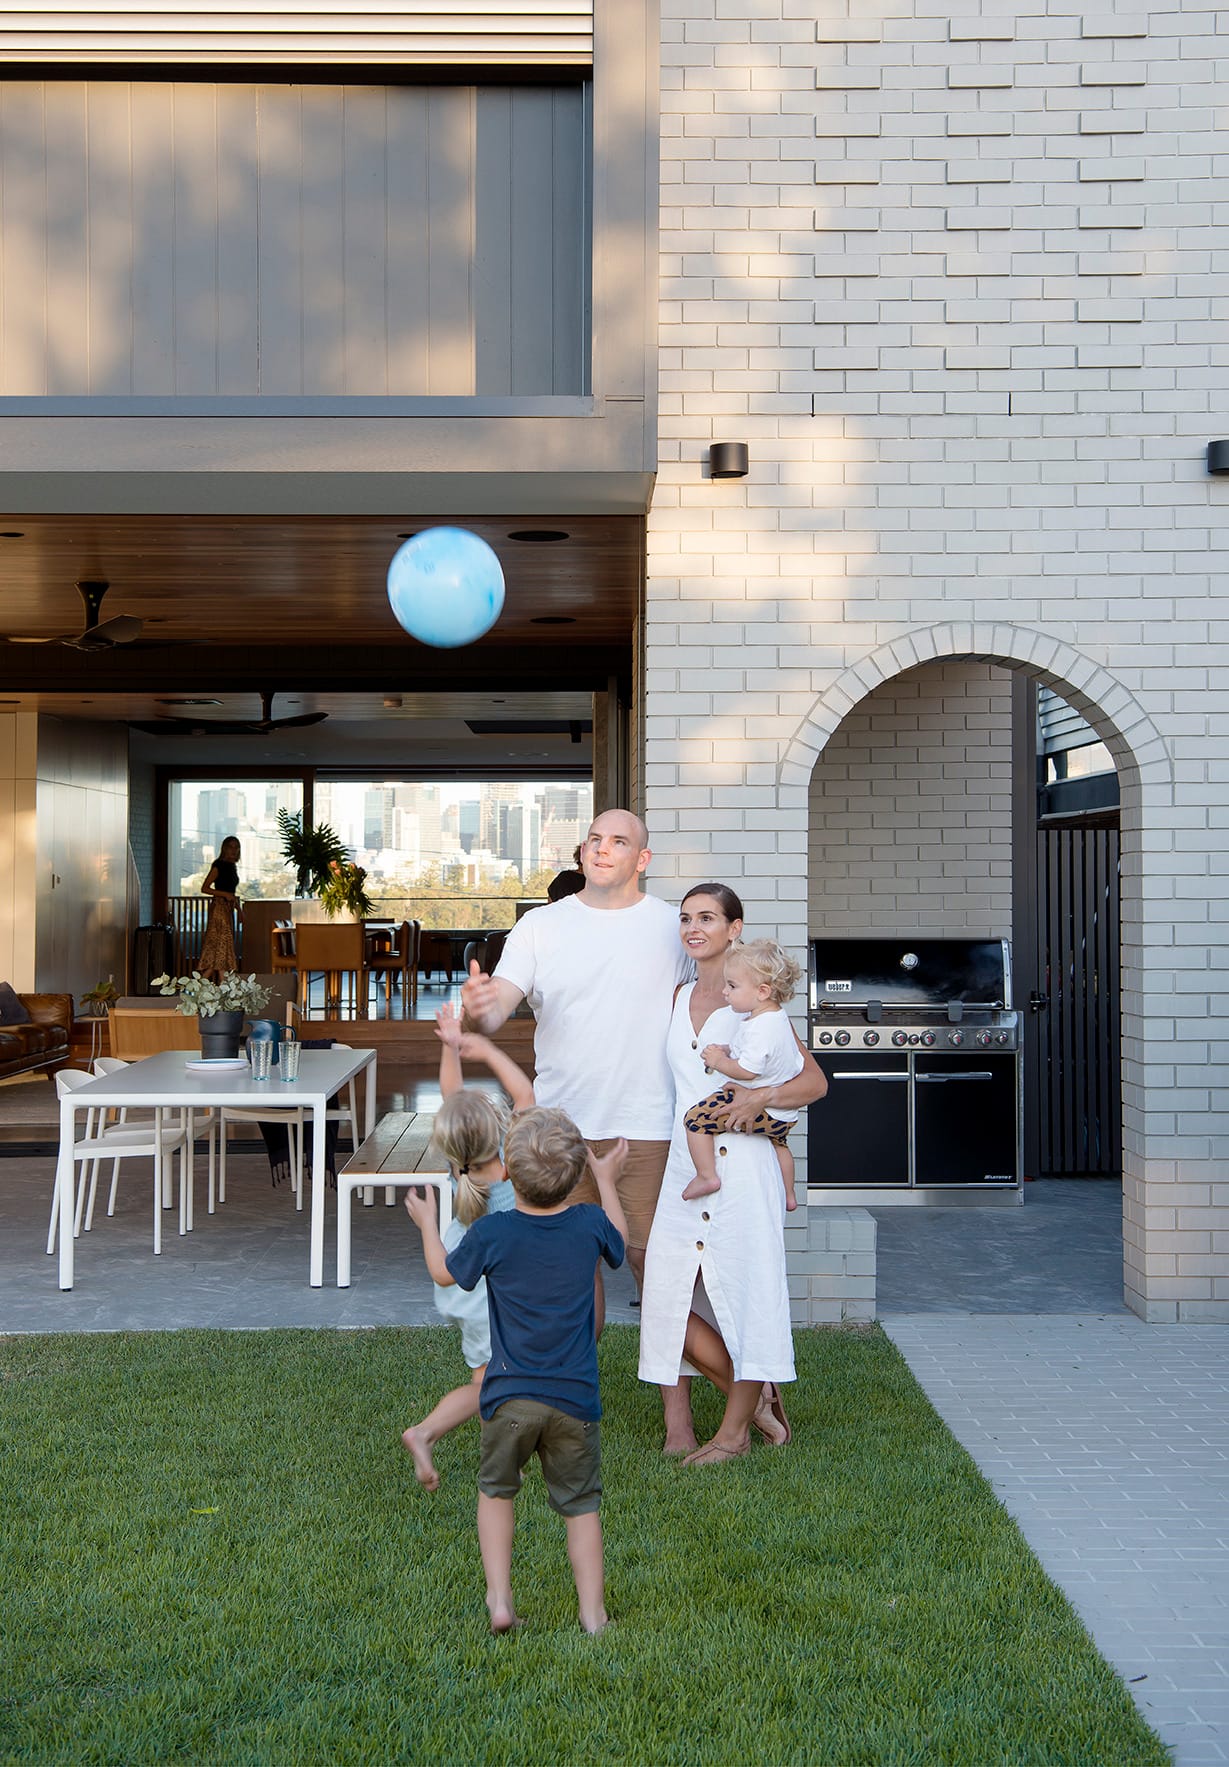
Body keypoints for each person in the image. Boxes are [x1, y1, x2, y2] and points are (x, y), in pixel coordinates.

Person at [405, 1108, 628, 1636]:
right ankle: (593, 1617)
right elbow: (618, 1240)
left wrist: (426, 1223)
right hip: (575, 1400)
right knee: (580, 1508)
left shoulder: (495, 1231)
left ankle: (501, 1600)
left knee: (496, 1492)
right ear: (573, 1178)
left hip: (507, 1399)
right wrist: (607, 1180)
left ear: (508, 1169)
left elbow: (443, 1272)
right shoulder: (589, 1223)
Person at [460, 809, 690, 1311]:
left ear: (642, 859)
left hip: (647, 1126)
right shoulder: (540, 926)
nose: (602, 849)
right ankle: (568, 1390)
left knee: (654, 1269)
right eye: (594, 839)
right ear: (583, 852)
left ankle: (716, 1387)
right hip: (558, 1130)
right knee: (571, 1279)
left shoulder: (673, 927)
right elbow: (498, 1005)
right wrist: (480, 1007)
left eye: (618, 842)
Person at [638, 884, 827, 1466]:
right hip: (685, 1163)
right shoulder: (675, 996)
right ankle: (743, 1401)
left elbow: (813, 1083)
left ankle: (734, 1432)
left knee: (750, 1294)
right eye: (686, 918)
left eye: (708, 918)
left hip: (744, 1165)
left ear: (734, 927)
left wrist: (760, 1097)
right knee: (664, 1290)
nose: (694, 927)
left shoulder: (757, 1005)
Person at [400, 1004, 535, 1494]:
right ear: (498, 1130)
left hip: (469, 1293)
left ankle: (503, 1459)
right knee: (491, 1383)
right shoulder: (511, 1167)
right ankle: (430, 1433)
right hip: (489, 1294)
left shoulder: (461, 1173)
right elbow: (525, 1093)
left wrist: (450, 1043)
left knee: (491, 1378)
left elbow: (451, 1095)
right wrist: (488, 1050)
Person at [681, 937, 805, 1212]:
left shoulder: (760, 1028)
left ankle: (706, 1176)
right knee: (780, 1144)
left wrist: (719, 1060)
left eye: (733, 986)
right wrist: (729, 1048)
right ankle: (789, 1194)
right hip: (785, 1116)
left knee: (694, 1120)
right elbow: (761, 1054)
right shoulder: (775, 1019)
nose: (725, 992)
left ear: (762, 991)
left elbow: (747, 1070)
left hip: (762, 1109)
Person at [197, 836, 242, 980]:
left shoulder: (232, 866)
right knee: (222, 944)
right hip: (219, 908)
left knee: (221, 946)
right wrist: (224, 894)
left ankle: (202, 986)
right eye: (231, 847)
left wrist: (239, 910)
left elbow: (232, 894)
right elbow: (205, 888)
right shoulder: (219, 865)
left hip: (228, 908)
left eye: (236, 847)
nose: (234, 850)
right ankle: (221, 988)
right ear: (225, 848)